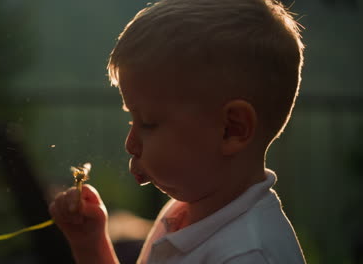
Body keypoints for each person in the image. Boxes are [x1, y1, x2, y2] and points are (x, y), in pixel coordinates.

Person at [49, 0, 306, 263]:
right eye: (131, 121)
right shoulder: (184, 213)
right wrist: (90, 244)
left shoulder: (245, 255)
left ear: (232, 128)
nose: (130, 144)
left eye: (148, 123)